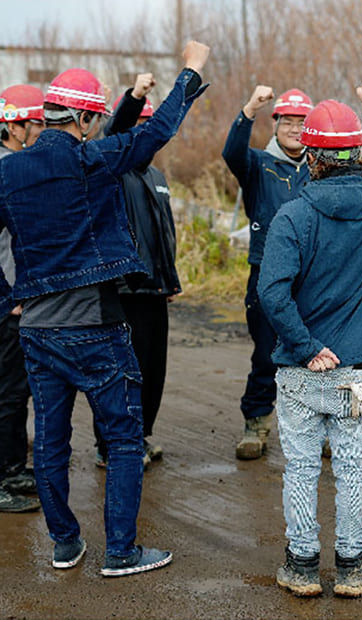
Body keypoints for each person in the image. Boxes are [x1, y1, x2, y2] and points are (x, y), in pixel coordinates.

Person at [0, 41, 210, 575]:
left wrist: (10, 300)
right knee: (121, 438)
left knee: (49, 440)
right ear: (88, 119)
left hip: (38, 330)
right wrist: (189, 72)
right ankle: (120, 551)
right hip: (95, 322)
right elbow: (153, 134)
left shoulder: (9, 173)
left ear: (46, 115)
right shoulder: (94, 159)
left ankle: (65, 544)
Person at [258, 81, 362, 597]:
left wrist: (307, 345)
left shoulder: (293, 214)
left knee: (301, 468)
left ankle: (302, 566)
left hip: (299, 370)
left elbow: (272, 292)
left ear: (310, 155)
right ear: (355, 152)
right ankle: (355, 569)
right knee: (355, 470)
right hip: (354, 375)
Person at [93, 75, 182, 469]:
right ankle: (109, 445)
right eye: (139, 125)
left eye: (150, 126)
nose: (146, 133)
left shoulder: (157, 177)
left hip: (155, 289)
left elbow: (163, 231)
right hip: (123, 290)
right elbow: (112, 130)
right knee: (120, 371)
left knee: (152, 370)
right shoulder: (108, 170)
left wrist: (170, 278)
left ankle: (139, 437)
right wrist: (135, 97)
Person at [222, 86, 313, 459]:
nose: (294, 129)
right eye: (287, 121)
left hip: (310, 277)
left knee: (315, 355)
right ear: (275, 125)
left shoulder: (320, 168)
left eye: (301, 122)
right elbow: (231, 153)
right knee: (266, 354)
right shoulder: (258, 165)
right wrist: (249, 109)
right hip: (267, 276)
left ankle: (317, 428)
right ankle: (256, 423)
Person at [0, 84, 44, 513]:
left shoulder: (16, 165)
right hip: (7, 302)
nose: (41, 131)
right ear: (15, 126)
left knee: (17, 392)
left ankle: (12, 465)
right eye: (36, 123)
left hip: (18, 299)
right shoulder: (5, 171)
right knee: (6, 392)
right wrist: (9, 297)